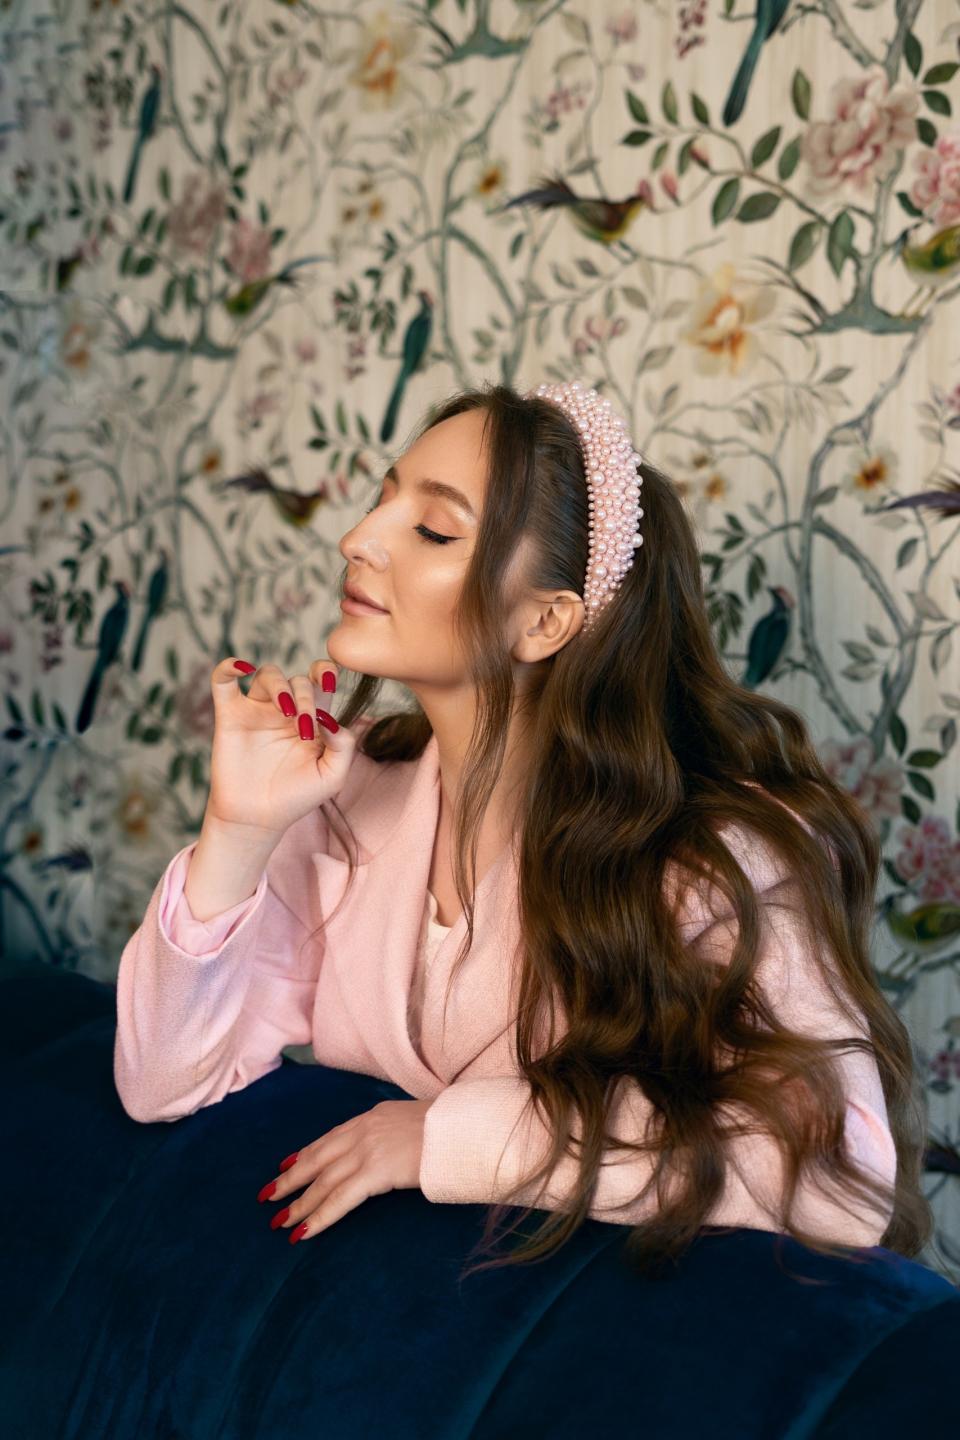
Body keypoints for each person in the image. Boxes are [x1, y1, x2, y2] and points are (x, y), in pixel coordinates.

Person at [113, 381, 930, 1281]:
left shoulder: (711, 857)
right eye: (382, 499)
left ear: (545, 621)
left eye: (433, 530)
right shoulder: (350, 802)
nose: (358, 539)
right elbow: (161, 1083)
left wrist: (439, 1138)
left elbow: (837, 1171)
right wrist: (237, 830)